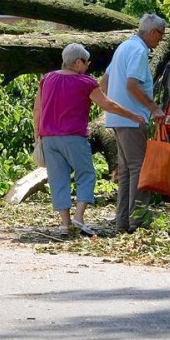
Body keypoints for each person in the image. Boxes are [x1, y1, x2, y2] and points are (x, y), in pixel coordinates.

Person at [34, 43, 146, 238]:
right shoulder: (85, 82)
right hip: (74, 137)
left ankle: (65, 225)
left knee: (58, 179)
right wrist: (132, 115)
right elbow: (107, 104)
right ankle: (79, 218)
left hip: (49, 138)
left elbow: (38, 109)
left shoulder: (47, 79)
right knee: (86, 175)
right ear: (78, 62)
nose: (87, 66)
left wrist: (38, 135)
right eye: (86, 63)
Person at [101, 13, 167, 234]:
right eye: (161, 36)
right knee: (138, 169)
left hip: (117, 118)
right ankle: (137, 221)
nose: (160, 41)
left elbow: (105, 81)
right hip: (133, 119)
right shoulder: (139, 50)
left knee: (127, 171)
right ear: (153, 32)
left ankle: (123, 223)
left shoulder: (123, 47)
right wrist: (154, 108)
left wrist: (114, 106)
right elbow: (132, 85)